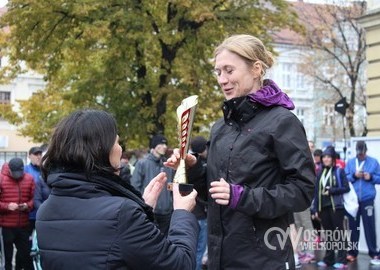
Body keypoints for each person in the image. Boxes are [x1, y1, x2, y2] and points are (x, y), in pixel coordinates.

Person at [166, 34, 315, 270]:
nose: (222, 79)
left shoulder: (282, 122)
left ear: (256, 69)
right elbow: (213, 194)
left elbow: (303, 191)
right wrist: (193, 169)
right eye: (218, 72)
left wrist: (242, 197)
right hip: (220, 258)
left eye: (229, 70)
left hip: (264, 260)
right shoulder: (220, 128)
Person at [36, 109, 199, 270]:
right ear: (101, 149)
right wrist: (182, 214)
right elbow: (180, 263)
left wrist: (143, 209)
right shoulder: (121, 214)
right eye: (117, 142)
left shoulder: (45, 211)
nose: (120, 149)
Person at [312, 146, 349, 269]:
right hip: (324, 208)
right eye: (324, 157)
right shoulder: (320, 173)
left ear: (333, 159)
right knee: (328, 234)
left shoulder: (339, 171)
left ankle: (342, 260)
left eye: (328, 157)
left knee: (339, 234)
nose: (326, 159)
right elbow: (317, 192)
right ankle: (329, 259)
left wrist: (332, 190)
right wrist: (316, 209)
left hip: (336, 208)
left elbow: (346, 188)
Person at [131, 134, 175, 236]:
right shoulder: (142, 163)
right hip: (149, 212)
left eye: (166, 144)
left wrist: (171, 202)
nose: (165, 146)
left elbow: (171, 185)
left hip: (167, 213)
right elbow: (135, 187)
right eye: (161, 144)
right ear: (154, 146)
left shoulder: (167, 164)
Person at [344, 140, 380, 265]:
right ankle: (353, 252)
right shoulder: (350, 162)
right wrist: (354, 176)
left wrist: (371, 178)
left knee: (369, 226)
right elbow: (345, 177)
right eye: (359, 154)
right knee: (354, 227)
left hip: (367, 199)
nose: (361, 156)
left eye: (363, 153)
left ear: (366, 151)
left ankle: (374, 253)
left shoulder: (373, 162)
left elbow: (379, 178)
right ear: (356, 152)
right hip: (353, 201)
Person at [0, 158, 35, 270]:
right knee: (7, 258)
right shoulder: (1, 180)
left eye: (19, 173)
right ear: (9, 169)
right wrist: (7, 206)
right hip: (6, 227)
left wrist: (27, 205)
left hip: (24, 226)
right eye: (14, 173)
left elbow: (35, 199)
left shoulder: (29, 179)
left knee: (26, 256)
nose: (17, 175)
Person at [187, 136, 209, 270]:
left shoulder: (184, 165)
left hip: (188, 213)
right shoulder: (202, 167)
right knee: (199, 251)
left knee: (191, 250)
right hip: (200, 213)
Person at [24, 146, 43, 231]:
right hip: (29, 214)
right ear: (29, 156)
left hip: (43, 213)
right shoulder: (25, 170)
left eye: (40, 154)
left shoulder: (45, 170)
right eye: (36, 154)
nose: (38, 156)